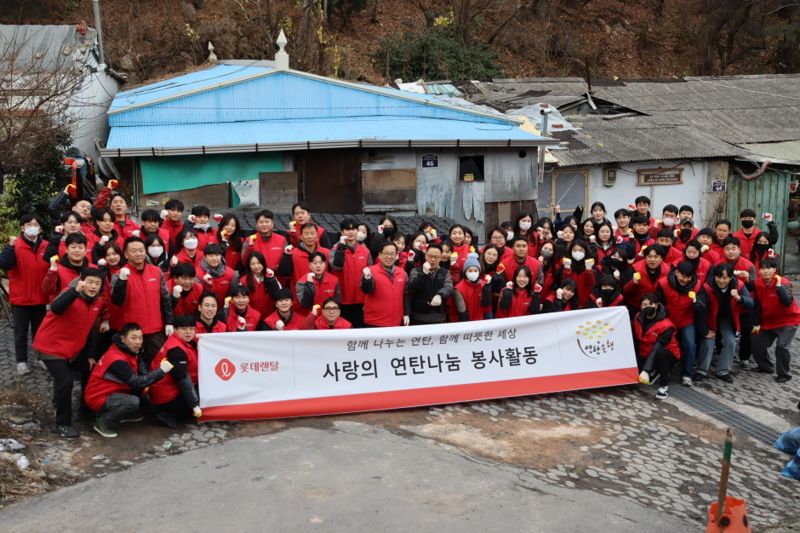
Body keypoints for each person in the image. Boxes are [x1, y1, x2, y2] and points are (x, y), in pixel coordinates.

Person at [32, 268, 107, 438]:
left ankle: (85, 409)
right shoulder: (69, 294)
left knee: (91, 369)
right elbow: (56, 308)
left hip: (72, 349)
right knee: (65, 381)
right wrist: (74, 291)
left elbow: (92, 331)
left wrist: (90, 355)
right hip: (50, 346)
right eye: (90, 282)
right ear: (81, 281)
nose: (93, 286)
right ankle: (62, 424)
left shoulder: (98, 302)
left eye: (97, 283)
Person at [84, 322, 174, 438]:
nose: (138, 342)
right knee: (133, 402)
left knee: (143, 388)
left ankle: (125, 414)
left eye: (140, 338)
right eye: (133, 338)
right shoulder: (116, 359)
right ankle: (103, 422)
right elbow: (137, 382)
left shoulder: (129, 350)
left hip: (115, 390)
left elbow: (142, 373)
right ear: (123, 339)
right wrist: (161, 371)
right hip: (98, 397)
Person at [0, 213, 50, 375]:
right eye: (29, 224)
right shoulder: (16, 246)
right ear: (22, 227)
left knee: (40, 331)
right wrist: (10, 247)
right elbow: (5, 264)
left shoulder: (46, 246)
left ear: (40, 228)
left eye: (35, 224)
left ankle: (40, 357)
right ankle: (21, 361)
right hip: (21, 298)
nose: (32, 227)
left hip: (40, 297)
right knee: (20, 332)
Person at [111, 237, 173, 362]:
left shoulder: (157, 272)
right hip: (132, 332)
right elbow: (117, 301)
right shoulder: (118, 275)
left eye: (141, 250)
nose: (138, 253)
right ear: (126, 254)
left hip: (155, 330)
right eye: (134, 251)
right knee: (133, 366)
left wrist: (169, 322)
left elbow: (165, 299)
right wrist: (122, 281)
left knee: (159, 364)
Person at [695, 263, 754, 383]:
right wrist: (704, 330)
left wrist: (739, 298)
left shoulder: (739, 285)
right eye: (718, 277)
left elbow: (750, 303)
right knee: (708, 341)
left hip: (727, 318)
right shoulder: (707, 287)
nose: (721, 280)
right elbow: (700, 309)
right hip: (710, 317)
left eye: (725, 277)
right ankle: (701, 370)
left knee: (730, 341)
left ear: (731, 277)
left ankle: (723, 371)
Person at [148, 315, 203, 429]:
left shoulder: (182, 342)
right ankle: (164, 413)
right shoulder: (176, 350)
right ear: (176, 330)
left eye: (191, 328)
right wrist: (194, 404)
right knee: (201, 402)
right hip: (166, 396)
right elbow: (182, 378)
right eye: (183, 329)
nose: (188, 332)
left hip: (170, 390)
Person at [751, 258, 800, 382]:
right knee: (754, 337)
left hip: (788, 321)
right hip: (767, 320)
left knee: (782, 346)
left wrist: (779, 287)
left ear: (775, 270)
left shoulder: (784, 282)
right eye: (763, 268)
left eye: (769, 268)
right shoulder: (757, 283)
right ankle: (765, 367)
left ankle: (784, 374)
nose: (765, 271)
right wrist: (756, 322)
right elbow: (757, 303)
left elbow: (787, 302)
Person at [657, 261, 703, 386]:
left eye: (688, 277)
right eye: (682, 276)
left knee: (690, 343)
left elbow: (703, 307)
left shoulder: (697, 285)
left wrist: (696, 302)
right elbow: (659, 304)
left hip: (686, 320)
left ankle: (687, 374)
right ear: (676, 273)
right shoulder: (663, 283)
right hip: (668, 320)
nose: (685, 279)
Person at [633, 294, 680, 400]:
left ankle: (664, 386)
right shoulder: (638, 318)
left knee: (661, 354)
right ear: (640, 306)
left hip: (667, 353)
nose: (648, 307)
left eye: (651, 304)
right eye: (644, 305)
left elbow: (658, 347)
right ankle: (652, 370)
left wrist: (646, 369)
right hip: (645, 352)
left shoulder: (666, 325)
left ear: (657, 305)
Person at [330, 217, 371, 328]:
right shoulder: (335, 248)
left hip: (361, 299)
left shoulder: (365, 250)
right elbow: (336, 267)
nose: (351, 232)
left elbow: (370, 273)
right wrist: (341, 249)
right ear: (342, 232)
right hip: (342, 299)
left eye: (353, 229)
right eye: (347, 229)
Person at [360, 241, 409, 327]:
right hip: (374, 322)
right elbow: (367, 290)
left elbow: (406, 295)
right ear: (380, 254)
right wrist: (367, 278)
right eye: (386, 253)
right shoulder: (370, 271)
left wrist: (406, 313)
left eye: (392, 254)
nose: (389, 257)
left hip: (396, 322)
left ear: (396, 255)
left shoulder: (402, 272)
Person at [407, 243, 453, 325]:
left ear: (440, 258)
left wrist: (440, 294)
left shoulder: (445, 272)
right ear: (425, 256)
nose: (433, 259)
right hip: (419, 317)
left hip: (440, 317)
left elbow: (449, 287)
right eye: (430, 256)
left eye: (436, 257)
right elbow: (412, 287)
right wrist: (423, 273)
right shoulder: (416, 271)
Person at [279, 223, 331, 296]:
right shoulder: (293, 254)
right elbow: (284, 273)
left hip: (322, 296)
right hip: (300, 297)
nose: (310, 236)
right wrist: (286, 256)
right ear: (301, 237)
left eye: (312, 233)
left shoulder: (327, 253)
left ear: (317, 236)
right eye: (306, 234)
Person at [42, 232, 91, 301]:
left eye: (80, 247)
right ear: (67, 250)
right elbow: (47, 290)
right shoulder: (58, 270)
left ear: (86, 250)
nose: (77, 250)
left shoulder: (93, 269)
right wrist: (52, 271)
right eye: (73, 247)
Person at [295, 251, 340, 316]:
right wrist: (309, 284)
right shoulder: (301, 282)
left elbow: (337, 302)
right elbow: (305, 304)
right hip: (309, 316)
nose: (318, 266)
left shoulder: (334, 280)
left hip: (329, 316)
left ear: (325, 264)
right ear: (309, 265)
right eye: (315, 263)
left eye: (321, 263)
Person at [450, 253, 492, 321]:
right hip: (467, 322)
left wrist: (487, 287)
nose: (473, 273)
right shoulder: (459, 288)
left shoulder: (484, 284)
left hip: (481, 320)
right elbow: (462, 312)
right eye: (470, 270)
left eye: (476, 270)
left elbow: (486, 305)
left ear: (479, 272)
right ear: (465, 272)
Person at [624, 244, 668, 309]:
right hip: (637, 306)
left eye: (656, 257)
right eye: (649, 256)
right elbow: (625, 291)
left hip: (657, 307)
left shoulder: (668, 270)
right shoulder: (635, 269)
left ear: (661, 258)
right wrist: (633, 282)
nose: (652, 260)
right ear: (645, 257)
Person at [242, 251, 282, 319]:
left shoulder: (271, 276)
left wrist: (272, 279)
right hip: (252, 318)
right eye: (253, 264)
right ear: (249, 265)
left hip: (270, 317)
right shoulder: (243, 280)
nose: (256, 266)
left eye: (259, 263)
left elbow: (279, 295)